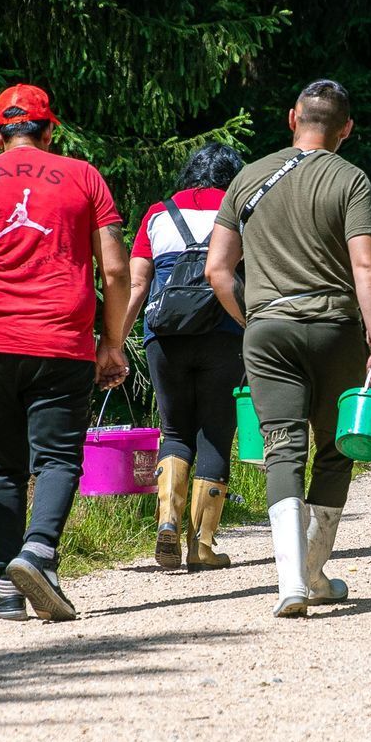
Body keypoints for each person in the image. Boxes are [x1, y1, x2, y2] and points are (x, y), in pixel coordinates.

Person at [0, 83, 131, 622]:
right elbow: (117, 270)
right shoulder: (84, 177)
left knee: (3, 465)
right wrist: (112, 344)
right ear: (49, 130)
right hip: (62, 341)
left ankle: (6, 586)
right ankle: (39, 553)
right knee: (58, 458)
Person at [206, 80, 371, 618]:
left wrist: (254, 319)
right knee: (335, 447)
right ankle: (313, 573)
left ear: (293, 117)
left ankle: (289, 583)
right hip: (334, 328)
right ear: (347, 129)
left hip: (268, 330)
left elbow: (217, 269)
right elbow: (367, 265)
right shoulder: (351, 179)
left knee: (281, 448)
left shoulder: (247, 177)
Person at [122, 143, 247, 571]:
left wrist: (114, 342)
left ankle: (167, 522)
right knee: (214, 432)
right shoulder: (239, 211)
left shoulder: (158, 214)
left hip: (165, 336)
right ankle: (203, 547)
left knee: (174, 430)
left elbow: (137, 286)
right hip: (224, 333)